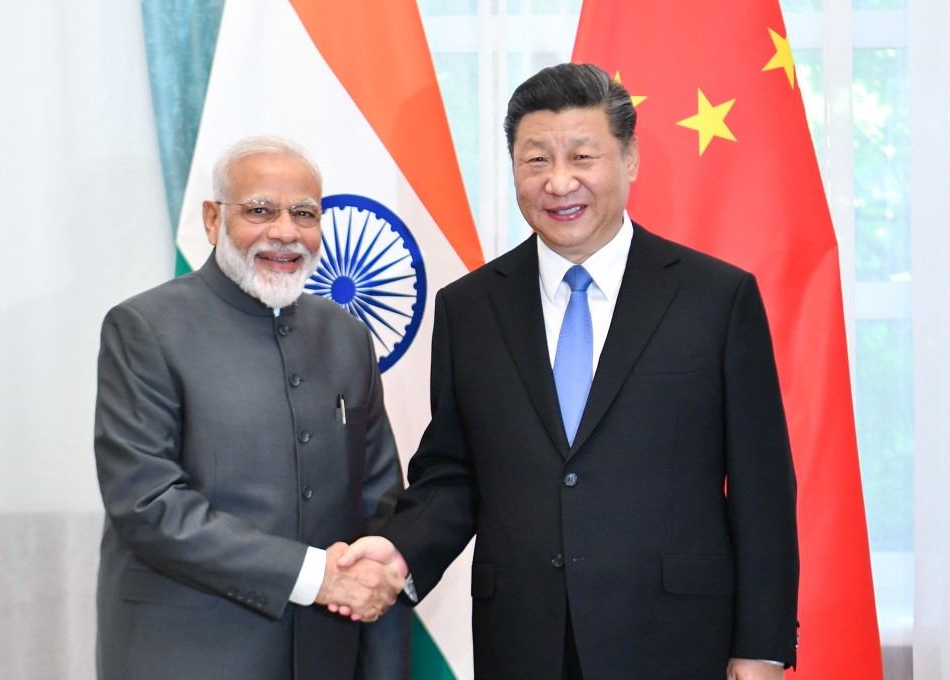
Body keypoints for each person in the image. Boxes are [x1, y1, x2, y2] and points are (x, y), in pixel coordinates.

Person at [337, 63, 799, 679]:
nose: (559, 182)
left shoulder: (716, 298)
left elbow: (761, 488)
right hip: (525, 642)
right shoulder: (470, 308)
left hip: (676, 640)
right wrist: (398, 552)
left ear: (629, 159)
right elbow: (454, 470)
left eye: (583, 156)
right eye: (536, 161)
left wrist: (762, 645)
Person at [93, 135, 410, 679]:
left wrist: (379, 587)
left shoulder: (346, 336)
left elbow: (379, 500)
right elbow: (148, 504)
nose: (285, 232)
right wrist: (315, 574)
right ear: (213, 220)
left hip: (327, 654)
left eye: (305, 213)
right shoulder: (145, 327)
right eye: (259, 210)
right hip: (187, 656)